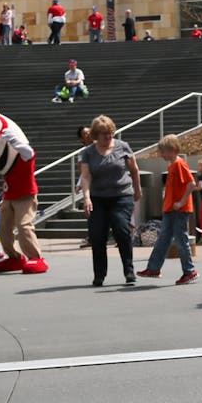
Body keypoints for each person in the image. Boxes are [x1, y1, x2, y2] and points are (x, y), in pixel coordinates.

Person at [79, 115, 142, 287]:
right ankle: (99, 274)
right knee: (97, 236)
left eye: (111, 133)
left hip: (121, 195)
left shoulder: (123, 147)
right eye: (104, 134)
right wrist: (86, 198)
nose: (109, 137)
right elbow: (85, 177)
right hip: (98, 198)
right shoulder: (88, 152)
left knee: (122, 230)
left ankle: (129, 270)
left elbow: (134, 170)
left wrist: (137, 189)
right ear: (96, 135)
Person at [0, 118, 48, 275]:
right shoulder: (4, 158)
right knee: (4, 227)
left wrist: (12, 138)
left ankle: (36, 257)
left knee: (24, 225)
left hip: (25, 195)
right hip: (9, 195)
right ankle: (14, 257)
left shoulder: (24, 155)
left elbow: (28, 151)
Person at [140, 135, 197, 284]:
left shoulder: (179, 164)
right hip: (171, 209)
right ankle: (153, 268)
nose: (162, 155)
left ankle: (189, 271)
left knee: (180, 239)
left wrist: (181, 202)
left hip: (178, 209)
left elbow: (191, 184)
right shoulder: (172, 165)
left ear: (172, 150)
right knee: (164, 239)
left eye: (164, 152)